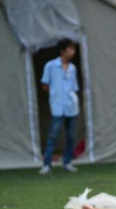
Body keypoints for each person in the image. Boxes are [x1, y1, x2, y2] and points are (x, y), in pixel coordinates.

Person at [39, 38, 80, 174]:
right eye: (70, 49)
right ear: (62, 50)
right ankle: (46, 164)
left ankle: (67, 162)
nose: (72, 52)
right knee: (53, 135)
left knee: (70, 136)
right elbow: (45, 84)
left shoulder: (72, 68)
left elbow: (74, 87)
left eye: (73, 49)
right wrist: (55, 92)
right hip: (57, 105)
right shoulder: (50, 66)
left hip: (71, 105)